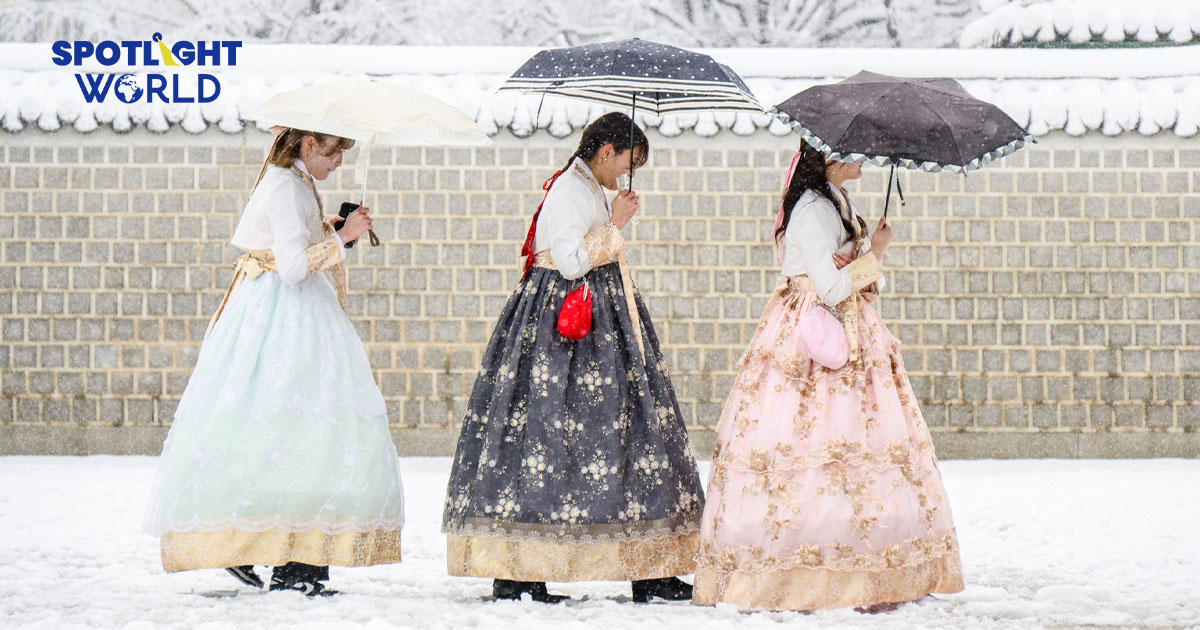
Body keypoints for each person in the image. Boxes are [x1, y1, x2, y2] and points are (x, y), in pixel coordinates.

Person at [442, 112, 703, 604]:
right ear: (606, 151)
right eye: (627, 163)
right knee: (549, 437)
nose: (625, 176)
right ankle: (520, 570)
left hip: (600, 323)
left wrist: (611, 221)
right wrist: (617, 224)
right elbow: (569, 262)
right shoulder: (569, 190)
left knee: (632, 433)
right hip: (564, 330)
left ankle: (651, 564)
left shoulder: (586, 188)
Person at [693, 143, 964, 612]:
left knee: (859, 448)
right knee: (804, 444)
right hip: (812, 337)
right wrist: (870, 255)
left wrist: (869, 253)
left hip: (848, 328)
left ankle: (862, 559)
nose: (866, 161)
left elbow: (856, 282)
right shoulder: (813, 210)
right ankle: (799, 568)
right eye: (857, 154)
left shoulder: (838, 201)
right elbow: (832, 286)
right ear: (829, 160)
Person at [143, 128, 405, 597]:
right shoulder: (286, 184)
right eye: (334, 151)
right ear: (307, 144)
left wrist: (335, 229)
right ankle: (287, 562)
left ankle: (269, 551)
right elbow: (290, 267)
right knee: (294, 428)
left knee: (285, 431)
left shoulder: (297, 181)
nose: (340, 161)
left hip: (290, 314)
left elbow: (297, 245)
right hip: (285, 318)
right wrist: (343, 237)